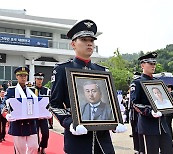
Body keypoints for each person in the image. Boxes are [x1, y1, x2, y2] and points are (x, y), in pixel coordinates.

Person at [50, 19, 127, 154]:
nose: (89, 43)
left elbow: (109, 103)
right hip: (78, 141)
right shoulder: (62, 69)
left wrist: (116, 120)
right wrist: (70, 123)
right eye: (84, 40)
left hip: (103, 142)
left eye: (92, 40)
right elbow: (54, 104)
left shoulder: (102, 71)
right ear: (73, 44)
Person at [130, 52, 173, 154]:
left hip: (162, 124)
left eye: (154, 63)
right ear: (142, 65)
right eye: (150, 63)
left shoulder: (157, 81)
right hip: (148, 125)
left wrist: (170, 107)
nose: (153, 66)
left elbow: (163, 100)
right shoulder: (137, 82)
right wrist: (149, 112)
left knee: (169, 150)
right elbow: (135, 103)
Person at [2, 67, 39, 154]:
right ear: (16, 77)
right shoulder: (11, 90)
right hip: (17, 124)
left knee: (34, 147)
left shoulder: (32, 91)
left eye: (25, 76)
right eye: (21, 75)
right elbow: (3, 105)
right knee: (20, 150)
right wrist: (6, 114)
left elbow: (38, 103)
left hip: (31, 123)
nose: (23, 77)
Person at [34, 72, 51, 154]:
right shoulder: (31, 90)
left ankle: (43, 147)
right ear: (35, 79)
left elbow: (50, 102)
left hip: (43, 115)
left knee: (45, 133)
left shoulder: (47, 90)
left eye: (41, 79)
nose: (39, 81)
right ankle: (37, 148)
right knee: (35, 133)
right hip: (34, 116)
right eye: (38, 79)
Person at [129, 72, 145, 154]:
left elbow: (134, 100)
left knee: (138, 131)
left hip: (137, 111)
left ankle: (140, 148)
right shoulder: (137, 82)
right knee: (136, 131)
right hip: (133, 110)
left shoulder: (137, 82)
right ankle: (138, 148)